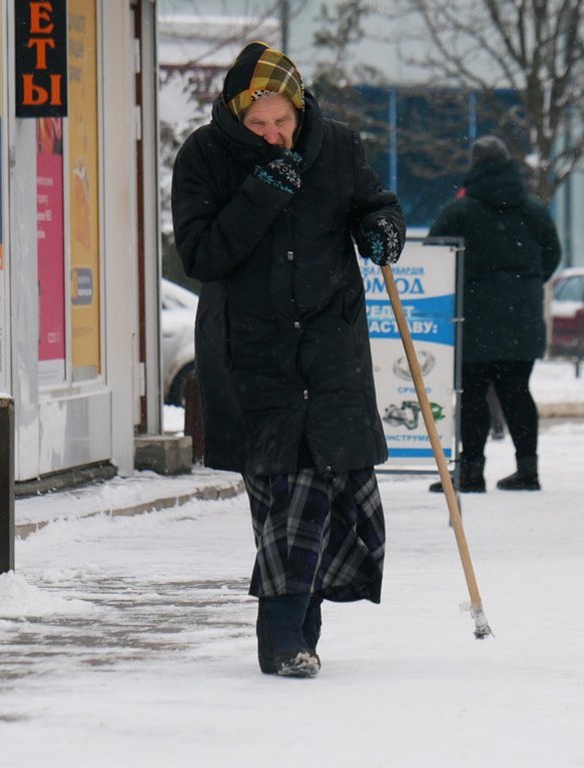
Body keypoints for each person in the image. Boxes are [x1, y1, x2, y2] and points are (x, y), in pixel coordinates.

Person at [170, 42, 405, 679]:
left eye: (284, 123)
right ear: (234, 114)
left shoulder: (338, 146)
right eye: (259, 125)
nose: (276, 136)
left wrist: (383, 227)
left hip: (330, 348)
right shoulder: (203, 158)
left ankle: (289, 636)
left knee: (319, 486)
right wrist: (260, 194)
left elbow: (374, 203)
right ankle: (289, 636)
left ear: (299, 110)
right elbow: (203, 256)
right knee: (285, 489)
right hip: (251, 354)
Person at [428, 135, 562, 493]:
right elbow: (553, 253)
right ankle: (528, 470)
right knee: (517, 391)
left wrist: (467, 285)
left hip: (474, 319)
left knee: (472, 395)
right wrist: (526, 285)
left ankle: (471, 472)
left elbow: (435, 253)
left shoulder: (460, 211)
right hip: (523, 317)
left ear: (474, 166)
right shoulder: (533, 209)